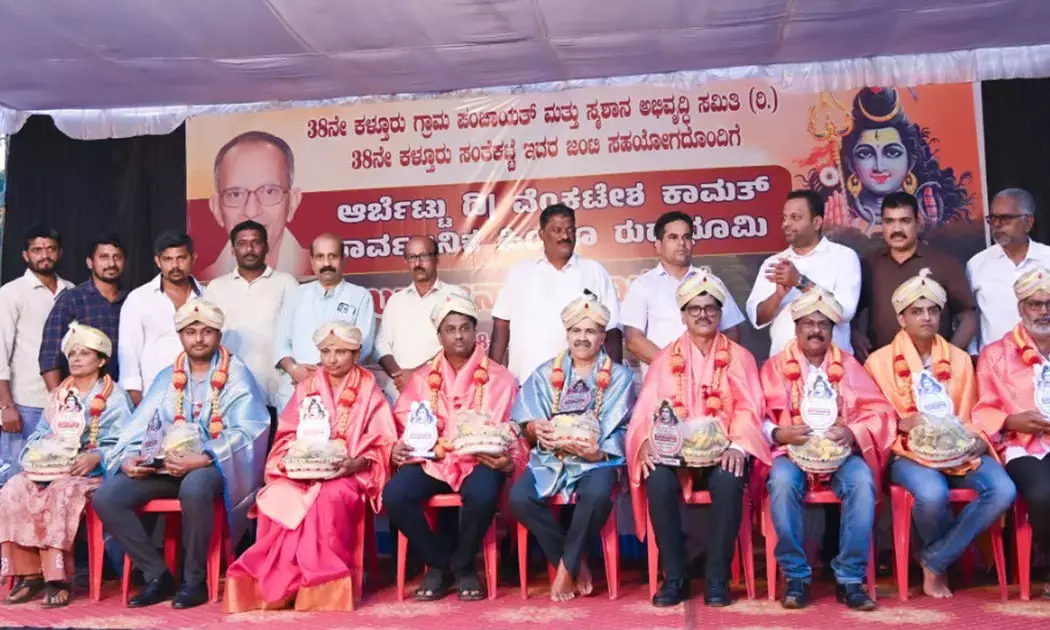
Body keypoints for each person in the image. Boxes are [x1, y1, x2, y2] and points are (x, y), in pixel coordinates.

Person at [92, 299, 269, 609]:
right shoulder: (167, 377)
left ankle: (194, 581)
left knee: (195, 486)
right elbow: (139, 427)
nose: (198, 339)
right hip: (165, 467)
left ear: (218, 335)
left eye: (206, 332)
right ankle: (157, 575)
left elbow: (250, 429)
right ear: (180, 336)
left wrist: (205, 456)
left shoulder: (236, 375)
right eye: (190, 332)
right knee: (107, 497)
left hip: (210, 467)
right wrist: (129, 458)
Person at [225, 323, 397, 612]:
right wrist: (295, 457)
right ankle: (283, 582)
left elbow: (383, 442)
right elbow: (286, 435)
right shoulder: (307, 387)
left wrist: (355, 463)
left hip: (347, 473)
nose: (332, 359)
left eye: (341, 352)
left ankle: (318, 585)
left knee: (326, 497)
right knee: (275, 494)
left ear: (356, 354)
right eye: (326, 351)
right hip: (303, 471)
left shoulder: (369, 390)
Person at [866, 269, 1015, 599]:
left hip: (959, 449)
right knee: (932, 495)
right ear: (902, 318)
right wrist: (899, 421)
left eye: (933, 310)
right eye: (917, 311)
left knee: (1003, 490)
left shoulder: (959, 360)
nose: (926, 317)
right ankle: (940, 565)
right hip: (907, 452)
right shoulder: (878, 362)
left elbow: (975, 410)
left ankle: (935, 560)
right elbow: (871, 414)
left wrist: (978, 438)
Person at [626, 268, 770, 608]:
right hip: (675, 453)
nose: (702, 314)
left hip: (722, 450)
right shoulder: (665, 358)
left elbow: (750, 408)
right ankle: (675, 576)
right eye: (695, 308)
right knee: (657, 479)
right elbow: (647, 408)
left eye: (710, 308)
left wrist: (738, 446)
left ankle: (717, 578)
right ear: (683, 315)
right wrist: (645, 440)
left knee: (730, 478)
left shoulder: (739, 357)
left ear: (720, 313)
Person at [383, 293, 524, 602]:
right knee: (395, 495)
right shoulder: (422, 378)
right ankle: (440, 563)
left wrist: (507, 460)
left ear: (475, 332)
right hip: (434, 460)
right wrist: (401, 445)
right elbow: (404, 420)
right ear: (440, 336)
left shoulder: (499, 378)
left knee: (483, 494)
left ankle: (464, 564)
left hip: (479, 460)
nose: (458, 335)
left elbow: (514, 429)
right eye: (450, 329)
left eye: (464, 328)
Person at [761, 289, 895, 611]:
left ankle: (850, 579)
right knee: (781, 482)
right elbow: (757, 415)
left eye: (823, 324)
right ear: (796, 328)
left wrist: (851, 432)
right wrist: (778, 433)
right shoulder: (775, 367)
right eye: (809, 323)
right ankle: (796, 576)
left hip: (839, 454)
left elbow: (879, 411)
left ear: (833, 330)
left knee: (861, 481)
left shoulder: (848, 366)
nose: (816, 330)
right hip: (791, 453)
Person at [509, 292, 635, 602]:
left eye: (590, 331)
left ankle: (565, 570)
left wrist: (599, 452)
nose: (582, 338)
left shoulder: (620, 377)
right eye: (576, 330)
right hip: (551, 458)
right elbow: (525, 422)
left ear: (602, 337)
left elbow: (625, 429)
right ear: (566, 334)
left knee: (597, 495)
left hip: (597, 459)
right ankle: (573, 563)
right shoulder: (545, 373)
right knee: (519, 497)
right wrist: (534, 428)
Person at [0, 323, 131, 607]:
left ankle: (57, 578)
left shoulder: (114, 397)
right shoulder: (59, 395)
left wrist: (97, 456)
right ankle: (29, 575)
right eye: (72, 354)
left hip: (89, 473)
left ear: (102, 360)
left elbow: (127, 442)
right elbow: (39, 434)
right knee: (13, 488)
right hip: (51, 468)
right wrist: (41, 452)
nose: (76, 359)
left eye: (84, 353)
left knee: (61, 491)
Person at [973, 266, 1050, 599]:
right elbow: (981, 409)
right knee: (1044, 493)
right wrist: (1011, 421)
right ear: (1021, 308)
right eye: (1035, 304)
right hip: (1022, 445)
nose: (1044, 311)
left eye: (1049, 304)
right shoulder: (995, 354)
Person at [800, 86, 975, 231]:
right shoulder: (836, 216)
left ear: (911, 160)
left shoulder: (932, 211)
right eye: (865, 154)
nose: (879, 167)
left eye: (892, 152)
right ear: (851, 163)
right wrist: (840, 239)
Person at [490, 204, 621, 382]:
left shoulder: (594, 271)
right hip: (526, 380)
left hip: (582, 383)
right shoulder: (520, 272)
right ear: (541, 235)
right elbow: (501, 325)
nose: (565, 236)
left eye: (570, 230)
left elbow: (612, 329)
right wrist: (492, 375)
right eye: (557, 230)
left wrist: (614, 377)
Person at [853, 193, 976, 361]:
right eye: (889, 221)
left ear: (918, 223)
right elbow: (850, 312)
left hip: (934, 367)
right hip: (882, 367)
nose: (897, 229)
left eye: (905, 221)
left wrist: (948, 357)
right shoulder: (869, 263)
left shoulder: (944, 264)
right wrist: (854, 335)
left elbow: (967, 318)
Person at [622, 211, 743, 370]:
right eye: (673, 237)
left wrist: (707, 367)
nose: (681, 243)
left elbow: (732, 332)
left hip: (708, 379)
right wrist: (677, 367)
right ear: (658, 245)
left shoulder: (711, 282)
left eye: (686, 237)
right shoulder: (643, 285)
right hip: (662, 379)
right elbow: (634, 340)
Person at [746, 190, 861, 357]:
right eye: (784, 218)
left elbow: (845, 311)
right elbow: (757, 318)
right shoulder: (773, 263)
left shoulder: (844, 257)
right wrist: (778, 296)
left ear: (816, 222)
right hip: (784, 364)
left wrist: (800, 282)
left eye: (795, 217)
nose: (786, 224)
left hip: (834, 365)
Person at [204, 220, 298, 422]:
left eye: (255, 242)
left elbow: (297, 334)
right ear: (232, 249)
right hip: (229, 388)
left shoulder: (286, 283)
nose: (249, 249)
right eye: (242, 243)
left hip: (274, 387)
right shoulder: (216, 288)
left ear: (267, 247)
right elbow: (207, 337)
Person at [0, 224, 73, 486]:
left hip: (65, 405)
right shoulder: (11, 293)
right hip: (25, 403)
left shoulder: (71, 291)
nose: (44, 255)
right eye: (37, 250)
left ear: (59, 253)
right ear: (25, 255)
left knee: (56, 480)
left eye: (50, 249)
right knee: (16, 480)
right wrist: (6, 406)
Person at [274, 233, 376, 412]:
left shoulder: (360, 296)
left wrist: (323, 372)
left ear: (343, 260)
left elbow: (363, 346)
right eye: (320, 257)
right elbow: (281, 344)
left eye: (333, 256)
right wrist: (294, 369)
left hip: (340, 390)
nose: (326, 263)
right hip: (295, 388)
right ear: (312, 261)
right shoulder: (295, 296)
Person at [201, 131, 310, 279]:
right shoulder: (208, 283)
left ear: (292, 202)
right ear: (216, 209)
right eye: (235, 194)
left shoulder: (315, 273)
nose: (251, 212)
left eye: (269, 191)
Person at [118, 232, 203, 406]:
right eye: (168, 259)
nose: (175, 265)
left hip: (201, 397)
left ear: (193, 258)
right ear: (158, 261)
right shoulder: (139, 299)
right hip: (153, 397)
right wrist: (137, 401)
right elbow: (129, 354)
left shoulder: (207, 297)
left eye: (181, 258)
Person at [376, 235, 465, 399]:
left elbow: (458, 346)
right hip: (398, 392)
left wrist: (416, 375)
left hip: (440, 391)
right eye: (412, 257)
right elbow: (382, 344)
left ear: (436, 258)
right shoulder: (396, 300)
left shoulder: (455, 296)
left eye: (423, 256)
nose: (417, 263)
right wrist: (399, 375)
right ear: (406, 261)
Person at [967, 188, 1050, 350]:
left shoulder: (1047, 258)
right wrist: (974, 353)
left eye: (1005, 219)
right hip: (994, 361)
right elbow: (970, 317)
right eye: (993, 219)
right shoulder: (977, 264)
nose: (997, 225)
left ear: (1028, 222)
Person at [39, 234, 127, 387]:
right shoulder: (72, 300)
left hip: (125, 392)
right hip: (81, 393)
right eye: (104, 257)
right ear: (90, 262)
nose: (111, 263)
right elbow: (50, 355)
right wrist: (58, 395)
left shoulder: (132, 300)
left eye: (117, 257)